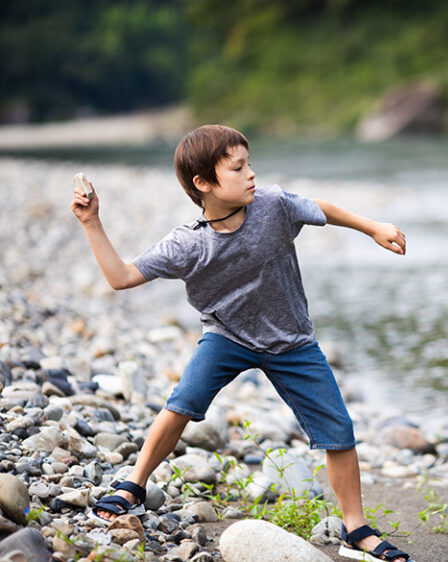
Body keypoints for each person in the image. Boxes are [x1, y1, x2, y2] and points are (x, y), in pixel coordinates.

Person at [70, 124, 412, 562]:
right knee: (183, 402)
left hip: (292, 341)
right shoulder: (188, 243)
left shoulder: (273, 205)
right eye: (238, 168)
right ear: (204, 184)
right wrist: (91, 220)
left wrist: (372, 227)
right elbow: (120, 277)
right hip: (226, 336)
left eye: (249, 163)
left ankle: (356, 528)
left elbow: (320, 208)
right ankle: (133, 483)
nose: (251, 174)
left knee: (337, 429)